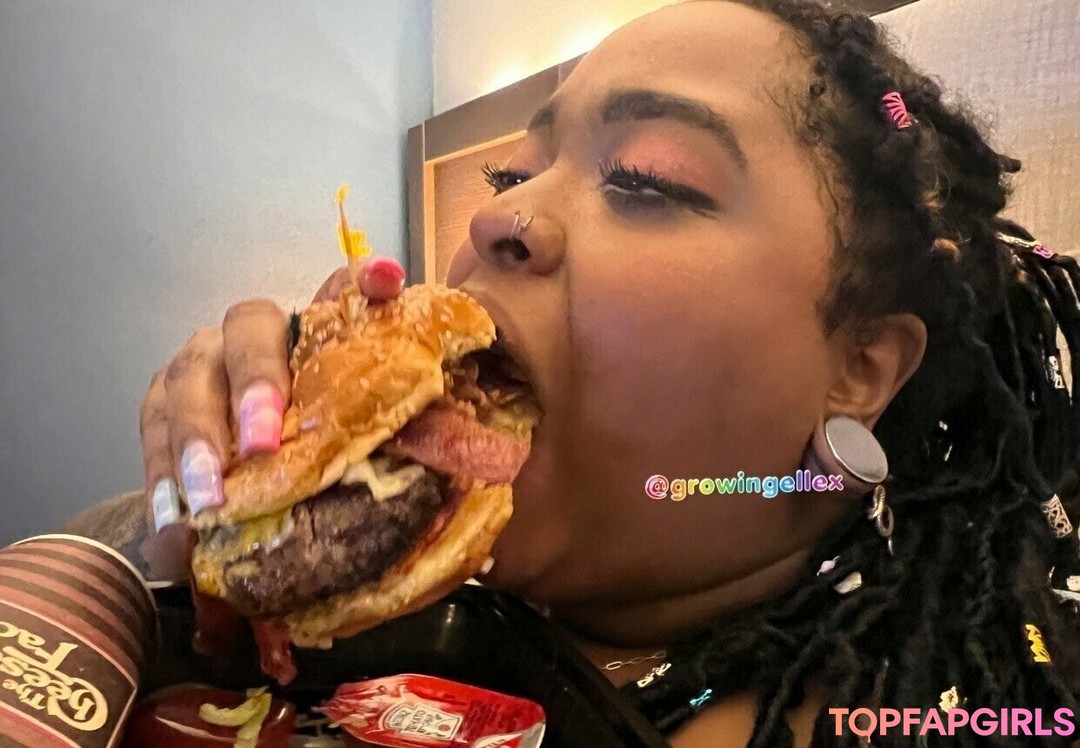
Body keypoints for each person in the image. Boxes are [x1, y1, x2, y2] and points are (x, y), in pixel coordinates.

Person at [134, 0, 1080, 745]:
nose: (494, 220)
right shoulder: (408, 629)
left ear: (859, 370)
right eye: (512, 177)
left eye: (646, 179)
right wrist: (214, 532)